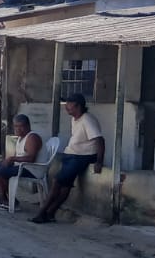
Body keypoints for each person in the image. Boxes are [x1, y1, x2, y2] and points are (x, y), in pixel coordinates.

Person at [31, 93, 104, 224]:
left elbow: (100, 140)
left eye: (70, 104)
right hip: (71, 155)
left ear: (78, 106)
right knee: (65, 186)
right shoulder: (75, 119)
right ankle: (50, 213)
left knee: (57, 182)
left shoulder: (87, 120)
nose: (66, 106)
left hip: (81, 157)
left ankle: (42, 213)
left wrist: (99, 161)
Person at [0, 114, 43, 210]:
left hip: (33, 169)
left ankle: (10, 201)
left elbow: (31, 158)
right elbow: (19, 156)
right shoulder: (20, 137)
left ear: (28, 126)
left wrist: (12, 159)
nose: (18, 129)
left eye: (21, 126)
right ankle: (4, 198)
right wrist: (9, 161)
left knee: (1, 172)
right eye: (16, 126)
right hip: (23, 166)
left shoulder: (32, 137)